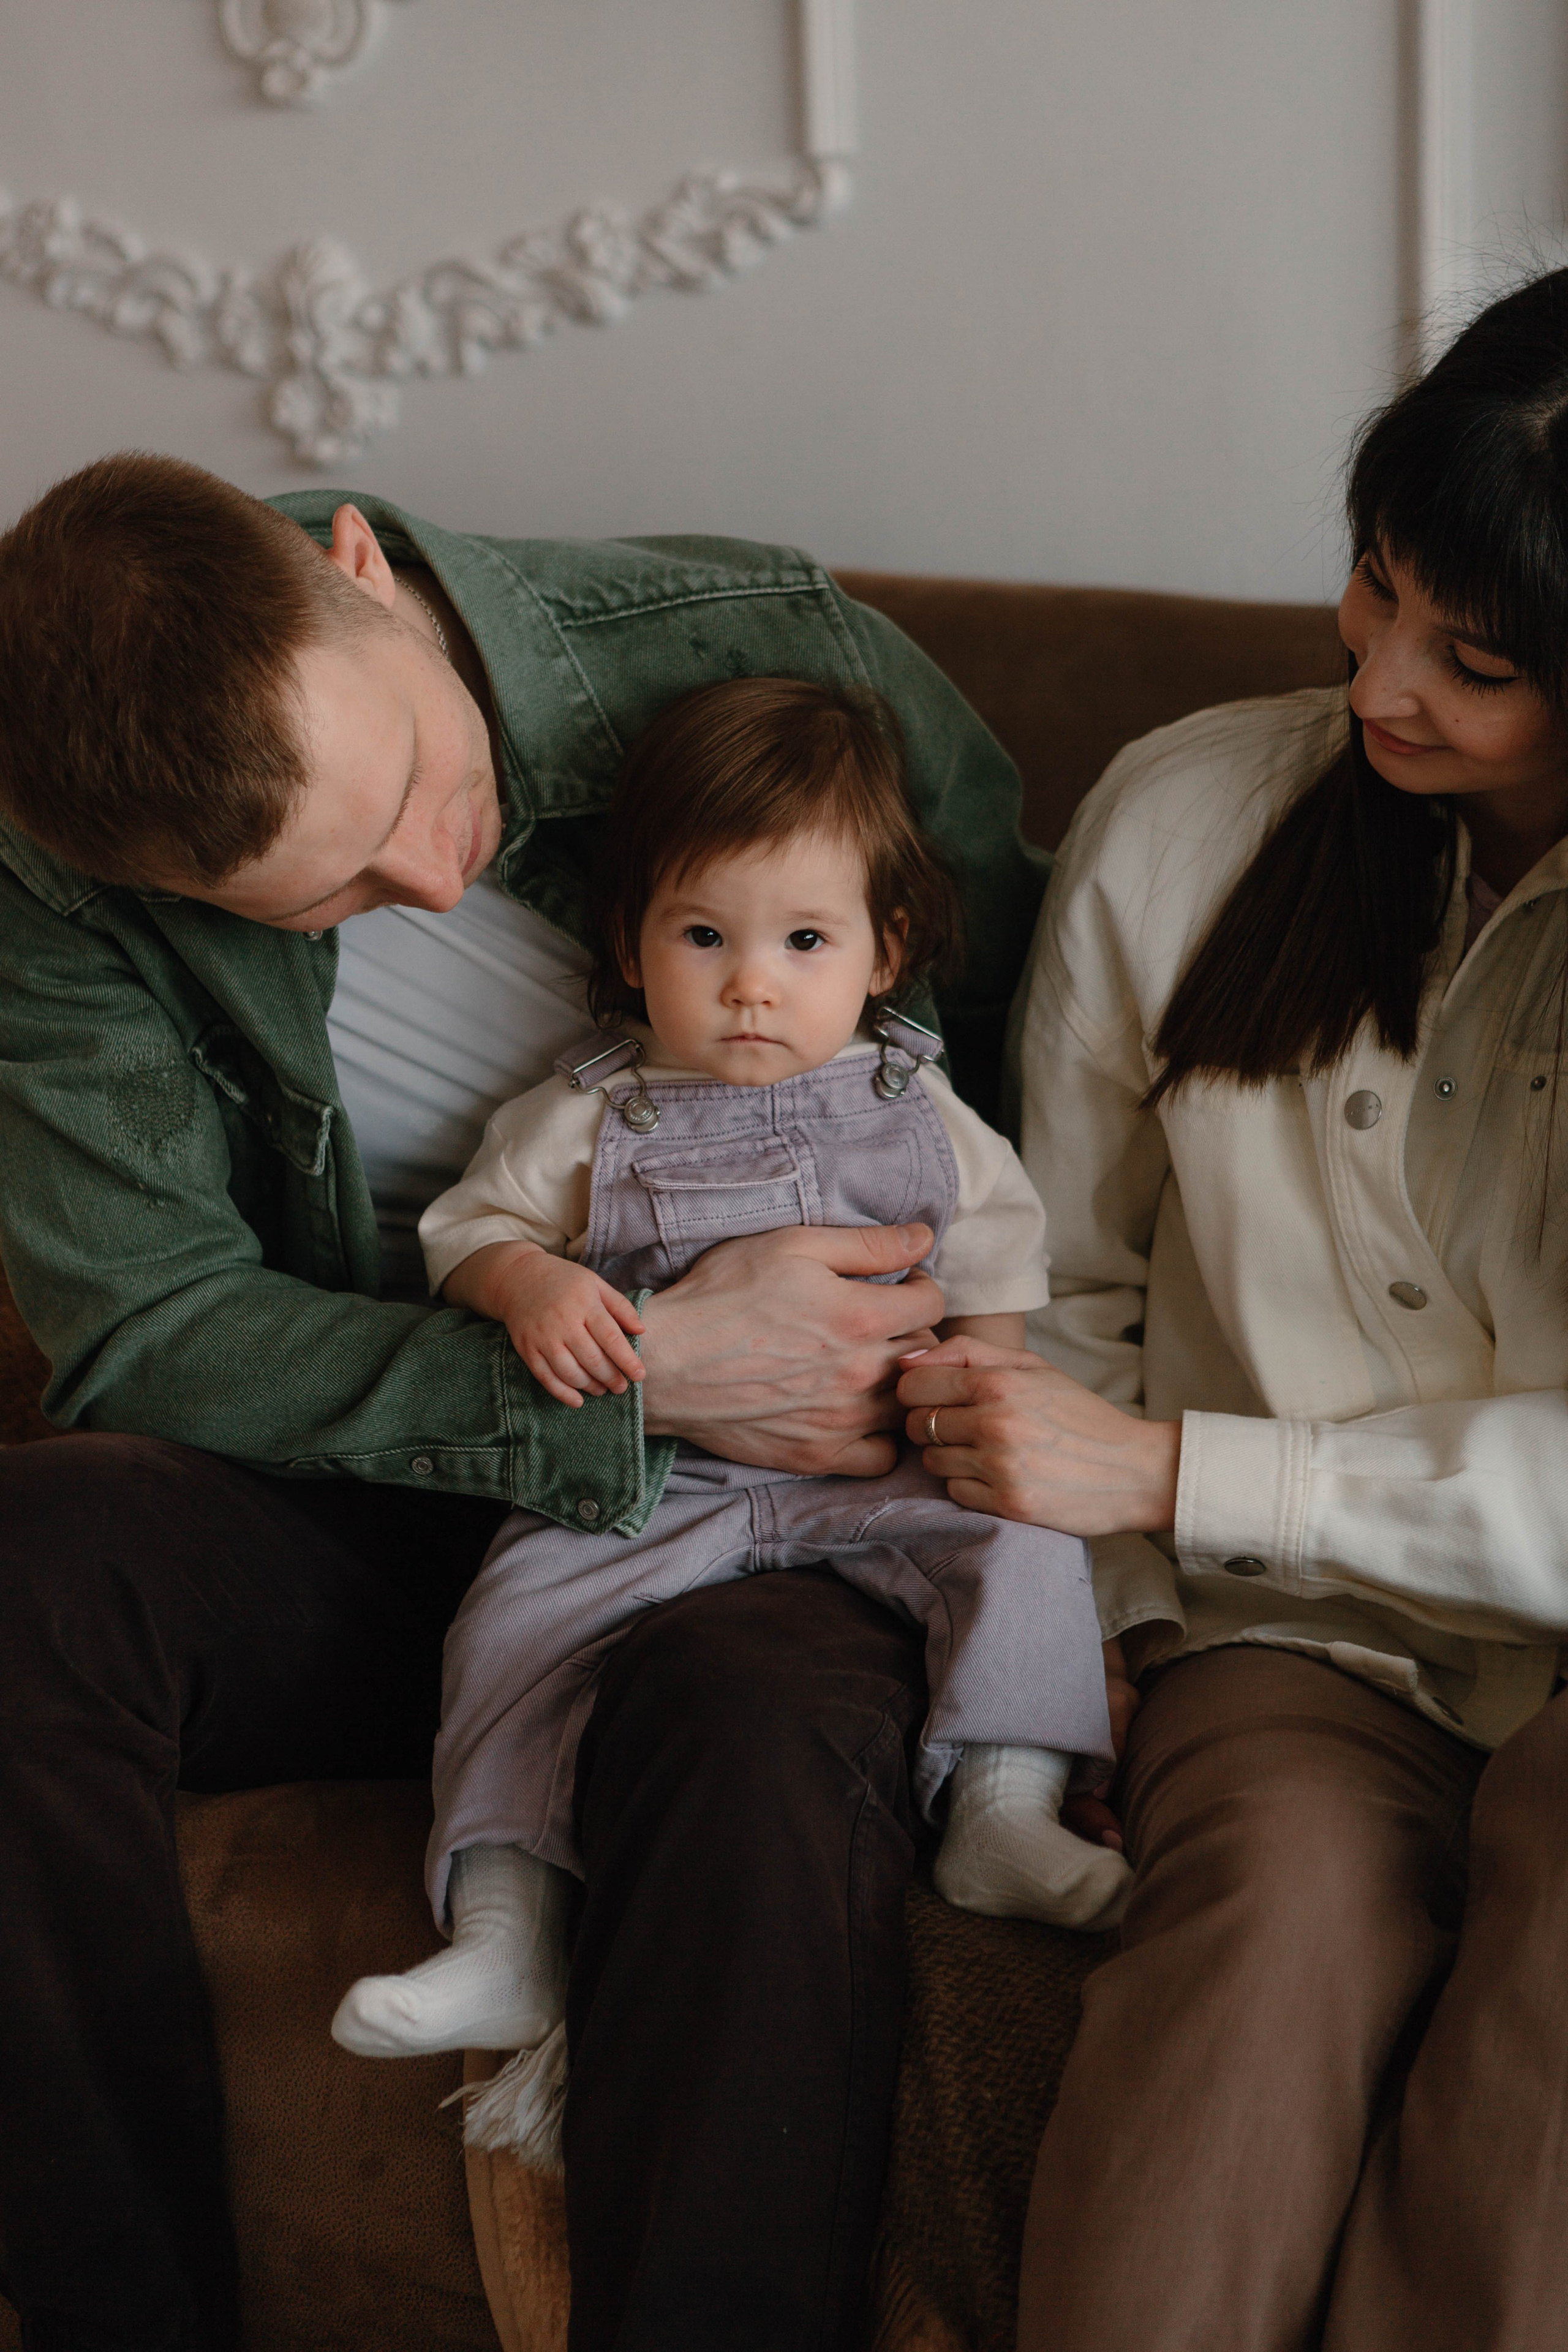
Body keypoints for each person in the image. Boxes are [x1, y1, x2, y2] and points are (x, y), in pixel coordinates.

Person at [0, 454, 1057, 2352]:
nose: (426, 879)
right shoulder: (41, 862)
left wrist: (944, 1394)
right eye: (317, 901)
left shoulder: (762, 654)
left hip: (825, 1479)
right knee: (27, 1565)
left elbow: (1062, 1055)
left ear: (359, 570)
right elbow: (151, 1322)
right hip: (409, 1464)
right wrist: (623, 1394)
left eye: (409, 788)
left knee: (744, 1725)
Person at [895, 266, 1568, 2348]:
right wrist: (1090, 1619)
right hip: (1281, 1636)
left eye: (1476, 657)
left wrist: (1189, 1462)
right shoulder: (1187, 819)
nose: (1382, 681)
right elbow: (1063, 1285)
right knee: (1269, 1922)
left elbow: (1133, 1419)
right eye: (1373, 591)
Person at [328, 678, 1125, 2120]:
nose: (750, 984)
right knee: (512, 1616)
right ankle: (507, 1929)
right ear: (631, 943)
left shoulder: (920, 1107)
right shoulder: (588, 1110)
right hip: (657, 1476)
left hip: (882, 1461)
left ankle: (1001, 1810)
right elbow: (467, 1232)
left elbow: (1003, 1247)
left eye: (803, 941)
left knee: (1030, 1542)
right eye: (703, 936)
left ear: (884, 949)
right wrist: (531, 1289)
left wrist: (986, 1376)